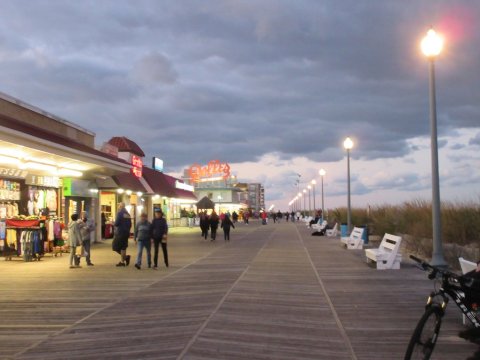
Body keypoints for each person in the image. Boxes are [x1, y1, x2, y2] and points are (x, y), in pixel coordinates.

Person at [113, 202, 132, 267]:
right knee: (123, 247)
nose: (118, 207)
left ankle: (125, 258)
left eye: (119, 206)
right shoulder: (128, 214)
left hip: (120, 232)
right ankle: (122, 261)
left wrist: (114, 223)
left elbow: (116, 223)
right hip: (126, 232)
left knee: (115, 246)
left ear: (120, 206)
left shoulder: (120, 213)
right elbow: (130, 224)